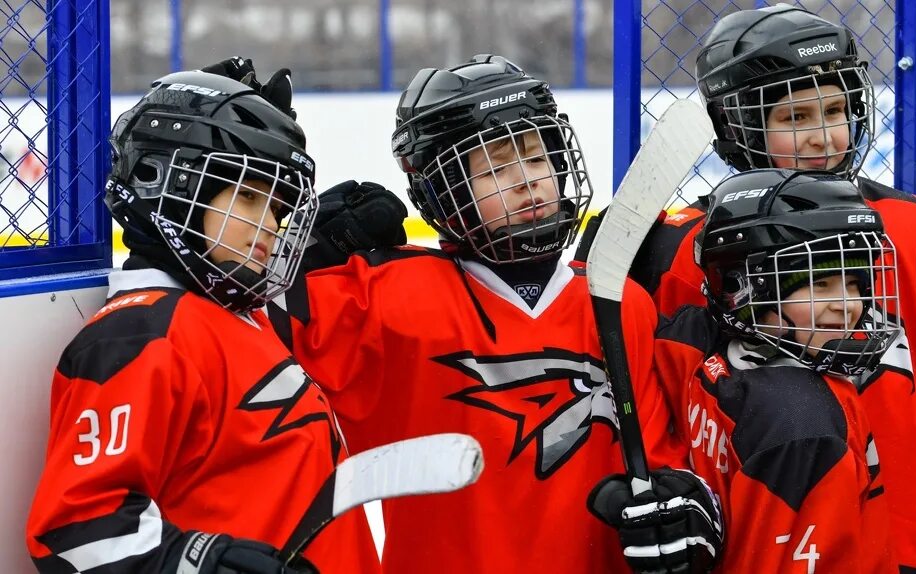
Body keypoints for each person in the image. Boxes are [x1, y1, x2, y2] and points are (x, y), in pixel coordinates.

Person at [575, 5, 916, 572]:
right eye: (794, 117)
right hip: (761, 551)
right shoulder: (678, 251)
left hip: (904, 552)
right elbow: (655, 414)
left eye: (835, 109)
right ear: (735, 124)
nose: (823, 136)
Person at [269, 54, 723, 573]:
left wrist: (685, 509)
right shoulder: (382, 298)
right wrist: (284, 243)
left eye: (535, 159)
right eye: (495, 169)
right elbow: (228, 331)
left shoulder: (621, 305)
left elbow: (662, 460)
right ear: (441, 191)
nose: (528, 182)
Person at [25, 70, 379, 573]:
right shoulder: (141, 334)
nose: (273, 226)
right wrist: (200, 563)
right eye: (250, 197)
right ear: (168, 183)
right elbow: (75, 529)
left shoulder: (237, 317)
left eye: (277, 207)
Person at [604, 168, 899, 572]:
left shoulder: (799, 421)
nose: (846, 305)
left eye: (854, 283)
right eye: (820, 282)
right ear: (742, 286)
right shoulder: (697, 344)